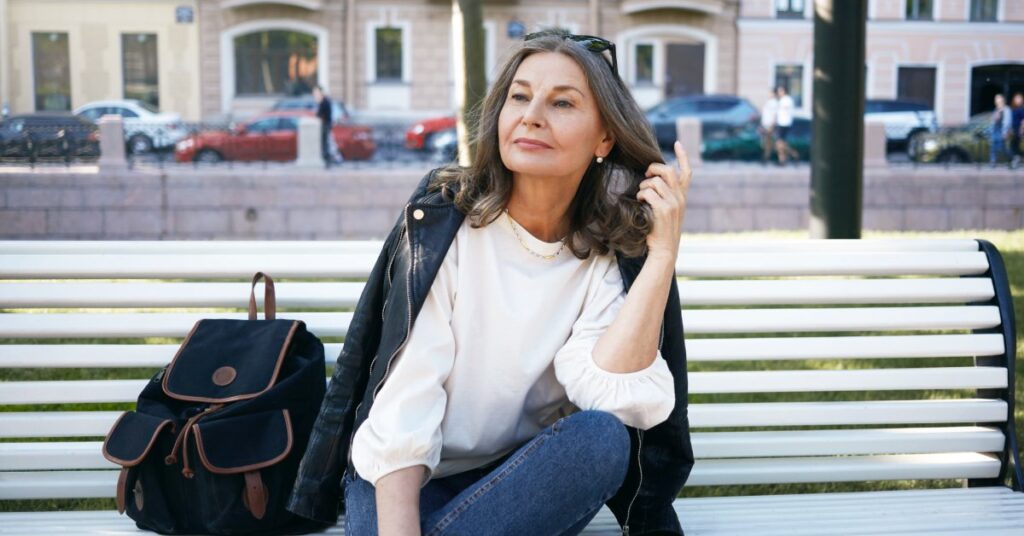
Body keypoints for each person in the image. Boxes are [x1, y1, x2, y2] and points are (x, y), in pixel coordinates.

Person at [286, 29, 695, 536]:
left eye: (562, 102)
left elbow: (614, 393)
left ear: (604, 138)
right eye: (519, 96)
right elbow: (404, 401)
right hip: (400, 474)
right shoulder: (446, 226)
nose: (532, 115)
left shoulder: (606, 255)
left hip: (520, 480)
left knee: (601, 439)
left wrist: (661, 256)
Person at [774, 85, 799, 165]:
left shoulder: (787, 100)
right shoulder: (781, 100)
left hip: (784, 123)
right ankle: (783, 159)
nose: (779, 93)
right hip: (781, 123)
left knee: (780, 143)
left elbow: (787, 111)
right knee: (781, 143)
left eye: (780, 91)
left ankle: (791, 155)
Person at [312, 85, 334, 166]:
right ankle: (326, 160)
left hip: (325, 125)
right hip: (325, 124)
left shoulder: (324, 102)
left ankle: (327, 160)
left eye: (316, 93)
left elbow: (320, 115)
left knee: (324, 143)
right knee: (325, 143)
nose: (314, 94)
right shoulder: (323, 101)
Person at [990, 93, 1013, 167]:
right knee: (993, 146)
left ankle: (1011, 158)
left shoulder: (1006, 109)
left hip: (1002, 130)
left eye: (998, 98)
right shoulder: (996, 109)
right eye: (996, 99)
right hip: (995, 130)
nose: (997, 100)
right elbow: (993, 122)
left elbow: (1008, 122)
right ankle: (993, 161)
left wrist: (1005, 132)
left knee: (1002, 147)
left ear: (1002, 100)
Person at [759, 87, 779, 165]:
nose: (768, 94)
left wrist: (772, 125)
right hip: (765, 125)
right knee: (767, 143)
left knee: (768, 143)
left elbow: (775, 115)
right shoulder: (768, 102)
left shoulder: (774, 103)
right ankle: (767, 158)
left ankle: (765, 159)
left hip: (769, 125)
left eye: (770, 93)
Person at [1009, 92, 1023, 168]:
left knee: (1013, 146)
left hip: (1018, 129)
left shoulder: (1021, 109)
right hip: (1014, 129)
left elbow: (1023, 120)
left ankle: (1017, 158)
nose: (1018, 100)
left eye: (1019, 98)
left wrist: (1021, 130)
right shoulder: (1013, 109)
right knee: (1014, 146)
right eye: (1016, 98)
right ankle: (1018, 158)